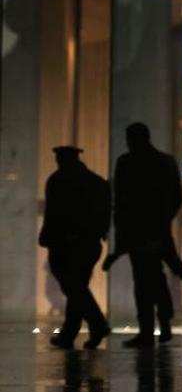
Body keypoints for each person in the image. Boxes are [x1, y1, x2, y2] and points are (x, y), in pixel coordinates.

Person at [111, 123, 182, 347]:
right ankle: (163, 322)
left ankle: (148, 330)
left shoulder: (126, 163)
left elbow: (121, 201)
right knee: (156, 279)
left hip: (137, 233)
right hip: (157, 231)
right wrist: (163, 222)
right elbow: (176, 197)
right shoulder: (165, 162)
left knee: (143, 282)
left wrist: (122, 232)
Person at [38, 146, 112, 349]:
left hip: (65, 243)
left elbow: (52, 213)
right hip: (88, 243)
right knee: (77, 286)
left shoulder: (58, 181)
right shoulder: (95, 182)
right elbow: (105, 210)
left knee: (72, 286)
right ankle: (71, 333)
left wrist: (46, 236)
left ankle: (95, 324)